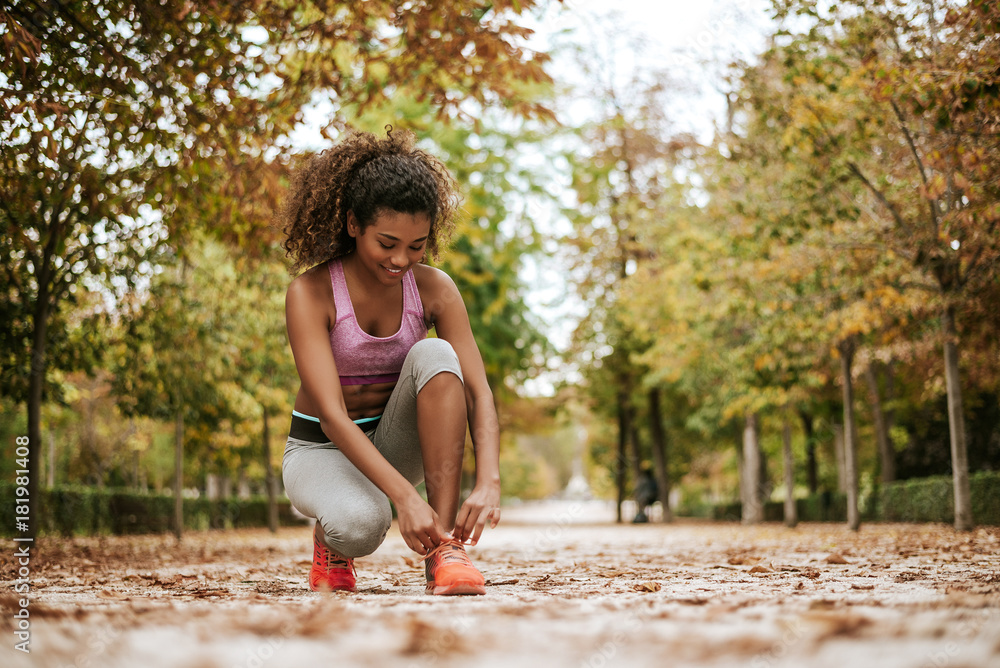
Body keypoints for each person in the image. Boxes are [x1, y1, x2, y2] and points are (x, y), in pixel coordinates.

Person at [279, 127, 501, 595]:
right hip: (321, 449)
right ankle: (331, 541)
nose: (401, 259)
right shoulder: (310, 293)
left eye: (416, 245)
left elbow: (477, 391)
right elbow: (334, 417)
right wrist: (403, 497)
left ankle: (445, 551)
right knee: (361, 526)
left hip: (393, 442)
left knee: (438, 353)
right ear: (354, 224)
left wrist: (489, 479)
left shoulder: (436, 289)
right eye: (387, 243)